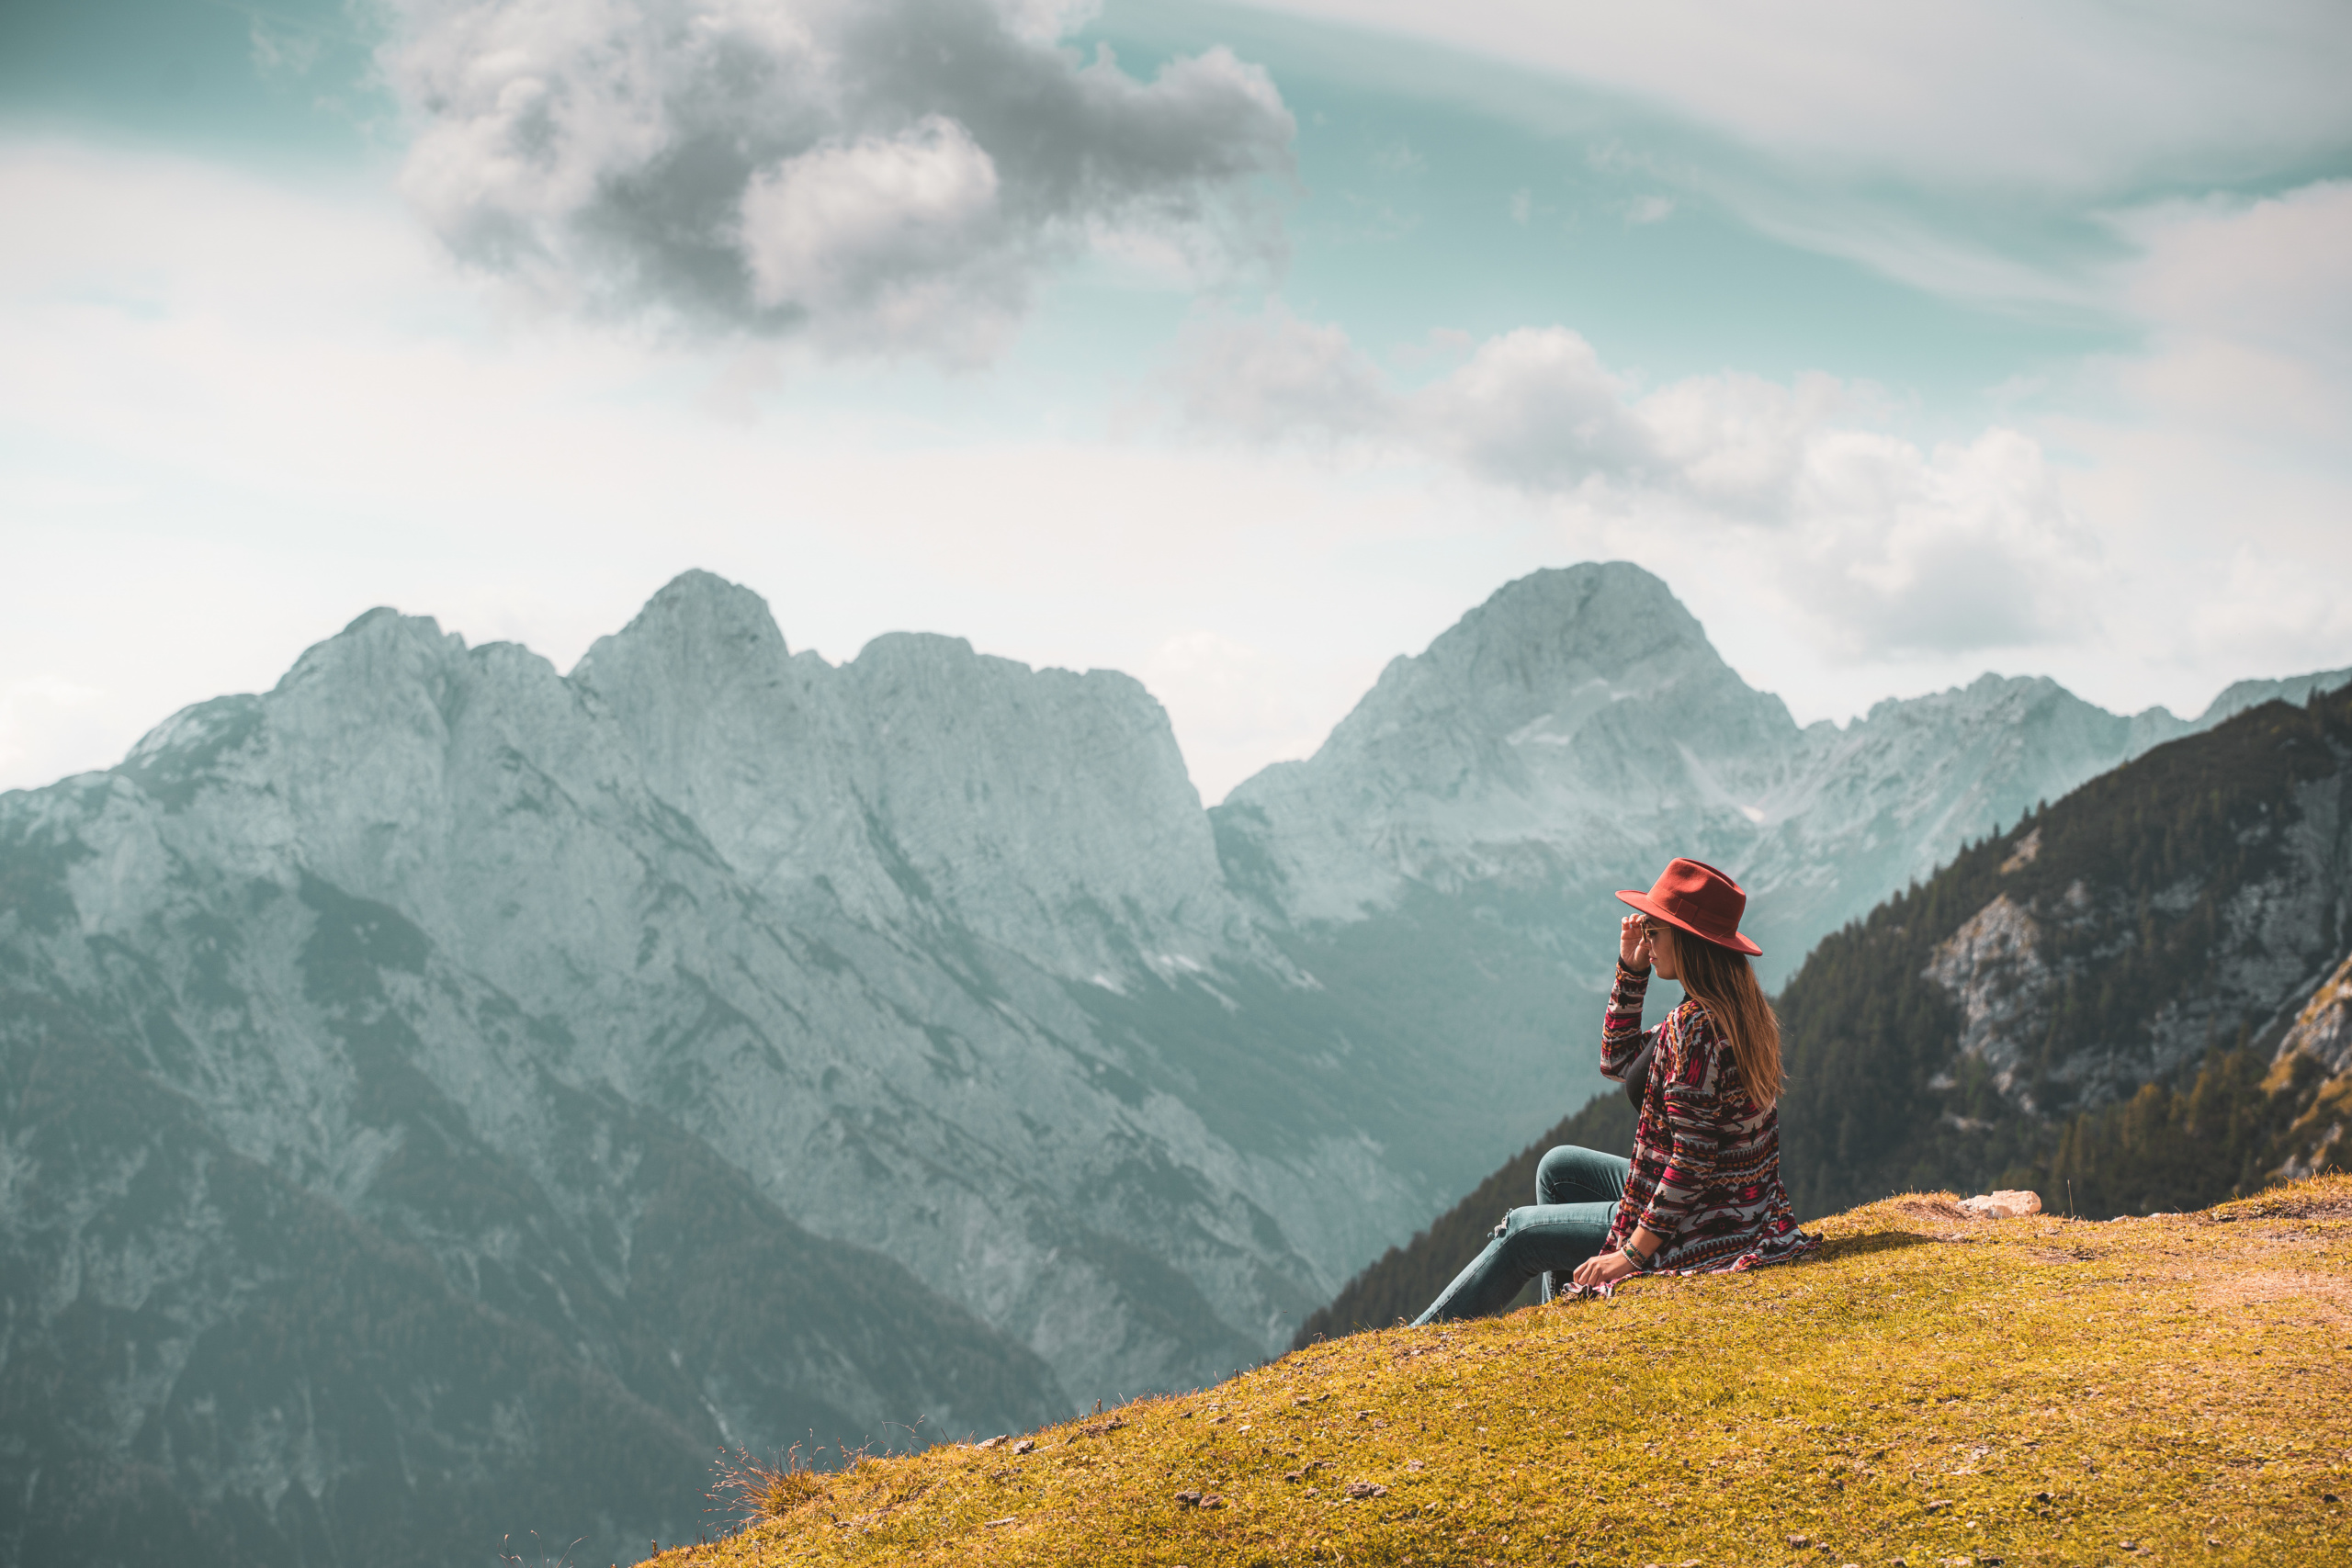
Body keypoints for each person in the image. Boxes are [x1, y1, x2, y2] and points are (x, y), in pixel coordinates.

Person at [1411, 857, 1818, 1324]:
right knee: (1559, 1168)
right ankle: (1571, 1317)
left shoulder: (1695, 1029)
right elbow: (1620, 1062)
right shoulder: (1725, 1011)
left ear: (1687, 941)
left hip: (1705, 1222)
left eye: (1655, 929)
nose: (1646, 936)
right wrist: (1632, 968)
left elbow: (1693, 1158)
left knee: (1521, 1232)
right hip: (1739, 1206)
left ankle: (1410, 1347)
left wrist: (1632, 1254)